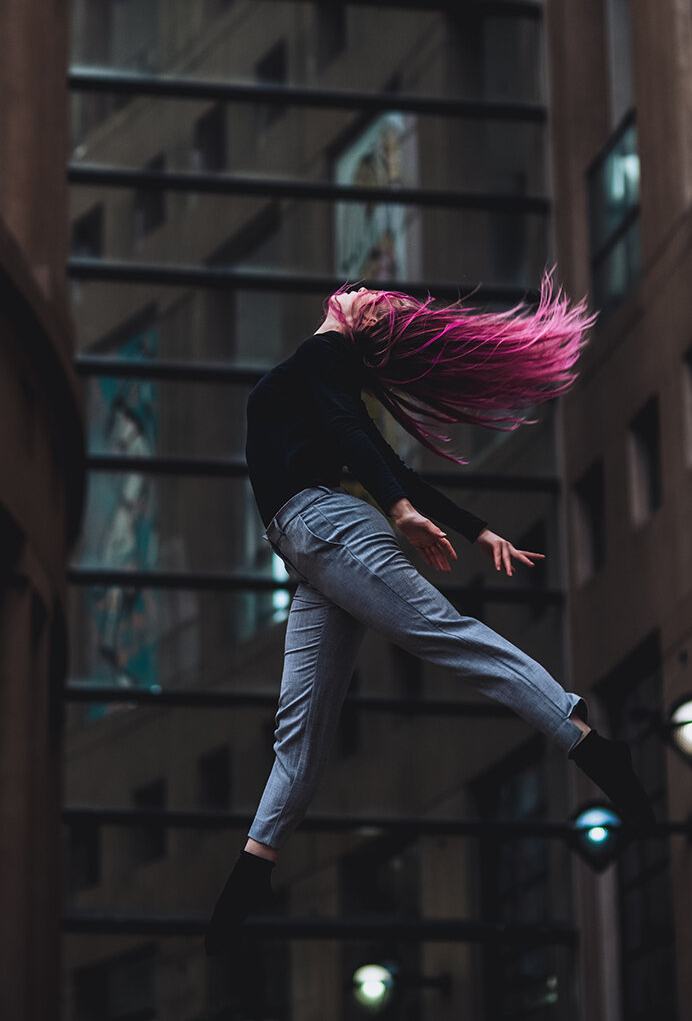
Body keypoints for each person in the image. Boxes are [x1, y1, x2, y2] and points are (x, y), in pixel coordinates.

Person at [205, 279, 654, 955]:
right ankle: (254, 867)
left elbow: (355, 440)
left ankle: (588, 743)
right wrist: (474, 530)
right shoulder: (325, 371)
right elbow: (382, 457)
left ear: (361, 327)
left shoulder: (321, 358)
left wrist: (400, 512)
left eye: (371, 298)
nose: (357, 288)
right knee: (299, 729)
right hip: (313, 554)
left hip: (328, 533)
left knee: (445, 635)